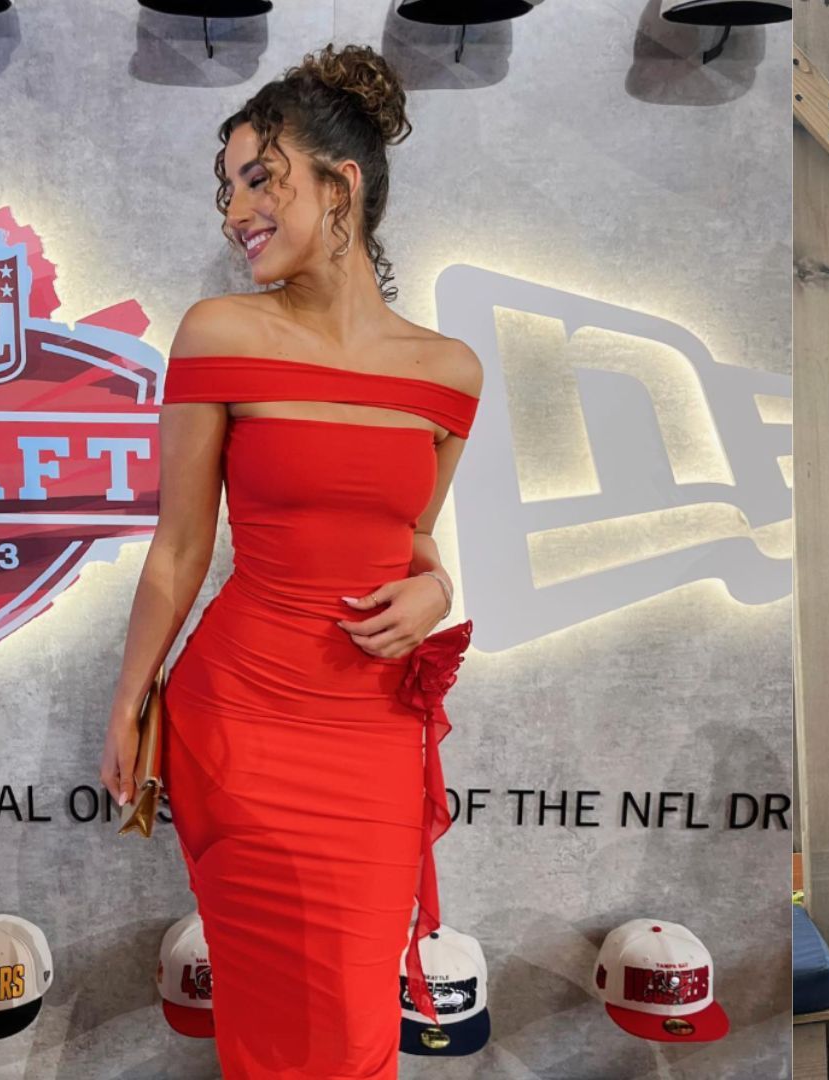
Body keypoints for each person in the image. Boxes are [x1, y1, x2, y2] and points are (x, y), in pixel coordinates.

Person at [98, 44, 483, 1079]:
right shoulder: (218, 333)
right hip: (244, 728)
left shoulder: (448, 375)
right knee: (275, 1032)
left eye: (259, 178)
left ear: (341, 184)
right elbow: (179, 548)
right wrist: (132, 701)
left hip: (369, 737)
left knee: (358, 1029)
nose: (236, 210)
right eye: (228, 188)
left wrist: (437, 587)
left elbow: (414, 540)